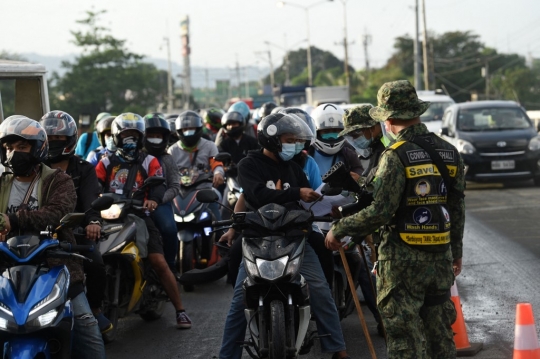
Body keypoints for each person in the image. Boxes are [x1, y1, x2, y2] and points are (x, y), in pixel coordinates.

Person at [325, 80, 465, 359]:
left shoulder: (395, 156)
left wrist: (339, 230)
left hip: (401, 262)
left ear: (387, 119)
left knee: (405, 338)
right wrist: (456, 254)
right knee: (440, 336)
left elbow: (381, 212)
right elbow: (456, 208)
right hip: (440, 258)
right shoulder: (450, 152)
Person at [219, 112, 350, 359]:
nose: (295, 145)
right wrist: (296, 194)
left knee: (321, 289)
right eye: (289, 140)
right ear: (272, 139)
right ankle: (228, 355)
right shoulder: (249, 165)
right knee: (240, 300)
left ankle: (338, 349)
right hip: (257, 238)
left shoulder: (295, 168)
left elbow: (305, 203)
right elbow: (256, 196)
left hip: (294, 237)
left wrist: (327, 205)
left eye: (297, 141)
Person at [0, 115, 106, 358]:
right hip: (8, 265)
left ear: (38, 148)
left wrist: (13, 220)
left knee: (86, 328)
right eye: (9, 148)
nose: (14, 153)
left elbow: (58, 211)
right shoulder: (2, 183)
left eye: (22, 147)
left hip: (55, 265)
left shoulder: (59, 180)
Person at [95, 112, 192, 329]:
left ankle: (180, 310)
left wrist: (154, 201)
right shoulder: (105, 162)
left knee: (158, 261)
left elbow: (158, 184)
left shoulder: (151, 161)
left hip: (140, 215)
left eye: (134, 135)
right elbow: (94, 187)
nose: (130, 139)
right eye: (126, 134)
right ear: (116, 136)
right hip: (109, 217)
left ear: (141, 137)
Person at [40, 110, 113, 334]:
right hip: (40, 231)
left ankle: (95, 309)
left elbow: (91, 199)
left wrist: (93, 222)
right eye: (49, 138)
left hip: (76, 231)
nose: (53, 143)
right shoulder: (34, 167)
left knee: (96, 263)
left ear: (70, 140)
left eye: (58, 138)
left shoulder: (83, 168)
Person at [142, 113, 181, 276]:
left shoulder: (168, 159)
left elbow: (175, 186)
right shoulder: (137, 157)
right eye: (151, 136)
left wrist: (158, 200)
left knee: (169, 229)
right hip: (136, 202)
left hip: (161, 204)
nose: (155, 139)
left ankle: (170, 266)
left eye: (158, 136)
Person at [168, 110, 225, 220]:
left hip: (204, 191)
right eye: (185, 130)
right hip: (179, 194)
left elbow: (216, 163)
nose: (188, 133)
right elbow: (168, 171)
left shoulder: (209, 146)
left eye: (191, 129)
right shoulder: (172, 150)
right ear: (179, 131)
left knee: (218, 223)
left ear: (199, 129)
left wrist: (218, 173)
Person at [308, 103, 364, 180]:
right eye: (326, 131)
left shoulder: (348, 152)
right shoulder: (306, 154)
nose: (331, 135)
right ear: (316, 132)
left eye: (335, 131)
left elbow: (358, 171)